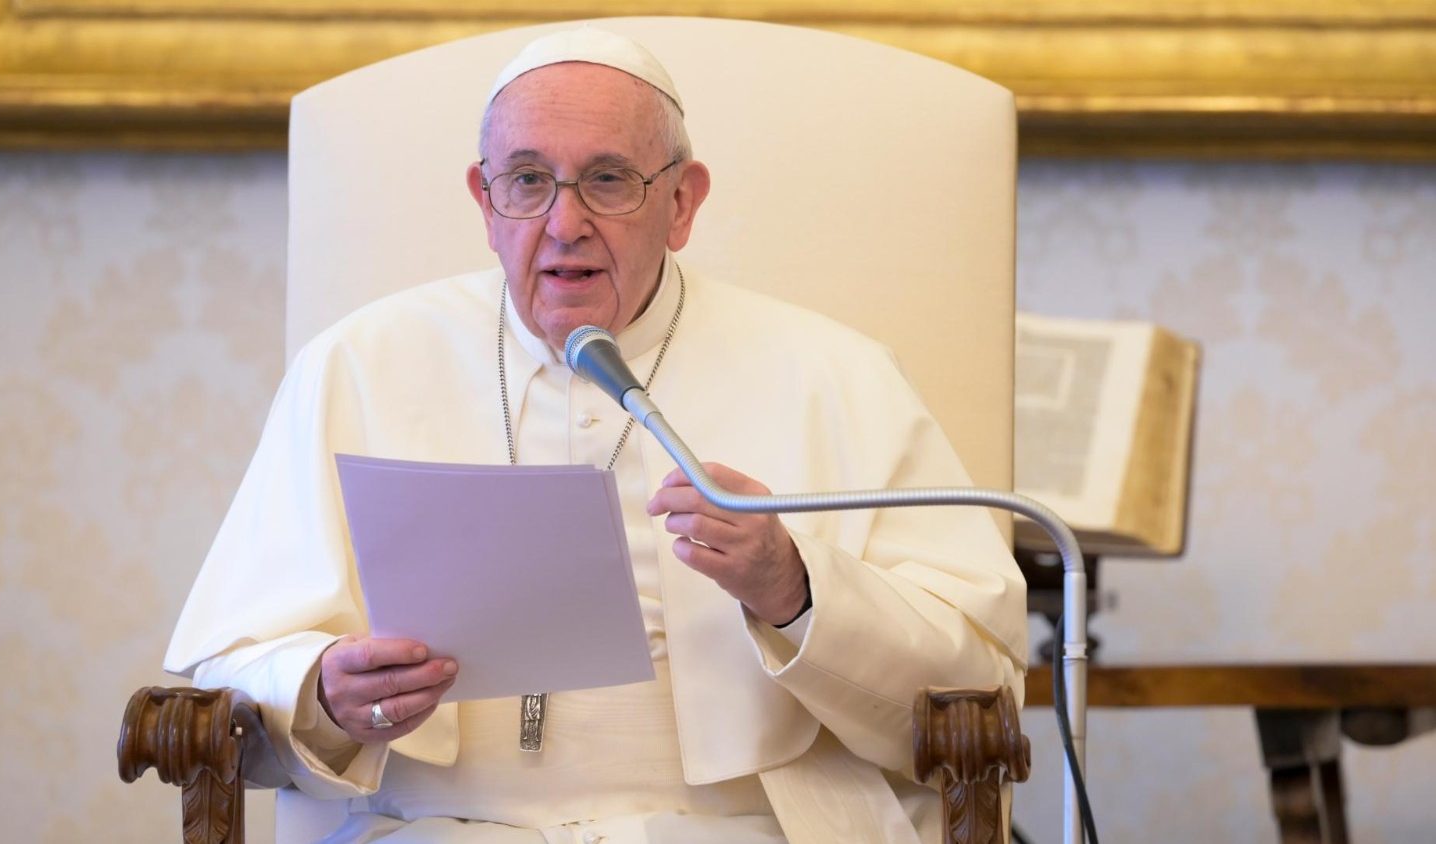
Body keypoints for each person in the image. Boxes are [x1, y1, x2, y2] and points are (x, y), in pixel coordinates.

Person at [166, 25, 1026, 844]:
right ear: (484, 197)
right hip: (429, 828)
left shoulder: (834, 373)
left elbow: (977, 684)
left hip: (744, 829)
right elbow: (231, 671)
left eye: (609, 180)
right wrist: (320, 695)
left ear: (682, 203)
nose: (565, 224)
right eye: (528, 180)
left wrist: (796, 590)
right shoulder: (357, 364)